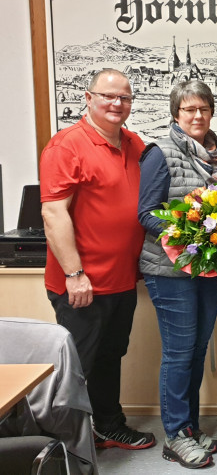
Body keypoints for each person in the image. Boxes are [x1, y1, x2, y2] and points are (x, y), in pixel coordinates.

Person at [40, 68, 156, 451]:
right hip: (82, 282)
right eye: (108, 96)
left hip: (122, 280)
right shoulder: (66, 145)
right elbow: (54, 214)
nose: (116, 104)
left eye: (124, 97)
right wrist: (74, 274)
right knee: (76, 369)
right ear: (87, 98)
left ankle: (108, 426)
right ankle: (58, 445)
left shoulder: (134, 143)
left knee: (109, 357)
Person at [138, 79, 217, 469]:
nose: (197, 116)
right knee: (179, 354)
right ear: (176, 114)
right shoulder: (159, 153)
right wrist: (190, 235)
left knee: (197, 352)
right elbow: (146, 214)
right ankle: (175, 435)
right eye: (189, 109)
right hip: (170, 270)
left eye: (204, 109)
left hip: (208, 270)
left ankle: (190, 428)